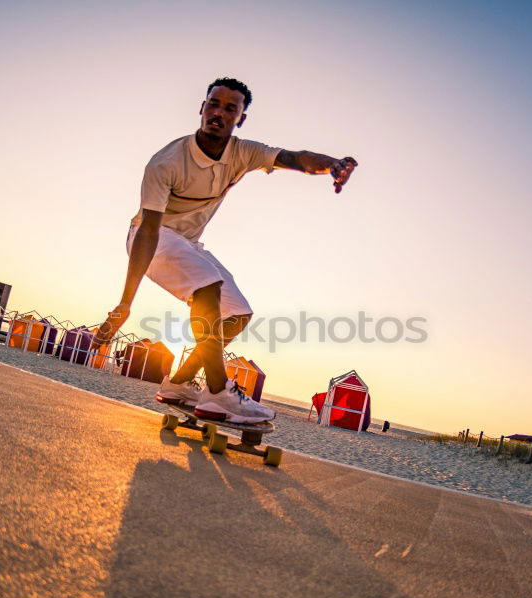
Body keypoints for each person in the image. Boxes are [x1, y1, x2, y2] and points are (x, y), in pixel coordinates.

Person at [94, 77, 357, 424]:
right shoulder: (166, 162)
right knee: (207, 287)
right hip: (150, 236)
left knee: (238, 313)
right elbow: (149, 230)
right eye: (213, 105)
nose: (218, 113)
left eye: (229, 109)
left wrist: (332, 165)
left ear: (240, 118)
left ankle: (180, 382)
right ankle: (219, 393)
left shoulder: (243, 152)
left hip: (188, 244)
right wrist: (126, 302)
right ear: (202, 109)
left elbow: (294, 158)